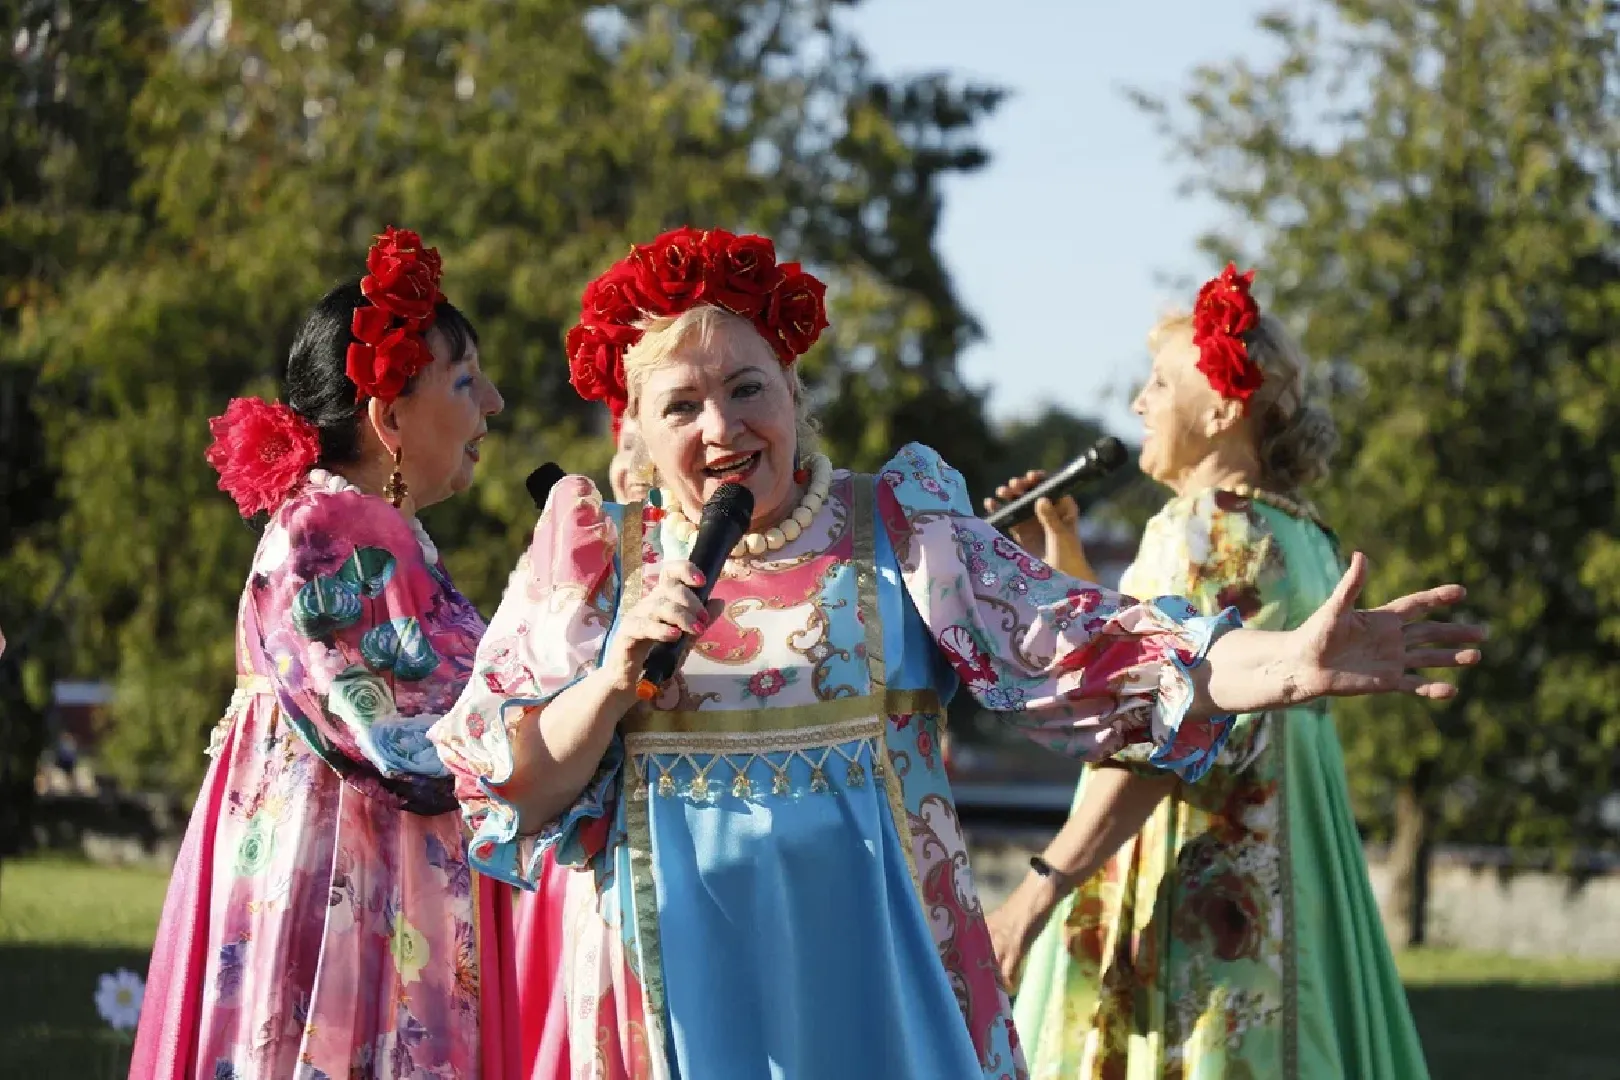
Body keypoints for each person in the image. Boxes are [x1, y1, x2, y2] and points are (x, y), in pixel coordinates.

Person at [427, 230, 1482, 1080]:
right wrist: (614, 677)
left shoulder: (899, 527)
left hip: (880, 998)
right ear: (640, 435)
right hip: (670, 1005)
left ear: (795, 394)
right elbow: (508, 784)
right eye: (682, 406)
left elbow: (1094, 650)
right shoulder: (595, 557)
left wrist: (1282, 663)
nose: (722, 428)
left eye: (748, 388)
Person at [986, 265, 1435, 1078]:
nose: (1139, 403)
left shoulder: (1199, 529)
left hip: (1195, 884)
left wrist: (1038, 893)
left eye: (1161, 381)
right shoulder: (1298, 531)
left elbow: (1164, 728)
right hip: (1294, 887)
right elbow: (1158, 670)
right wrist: (1067, 559)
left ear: (1224, 410)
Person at [132, 228, 518, 1079]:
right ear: (388, 419)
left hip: (330, 861)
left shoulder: (344, 526)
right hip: (349, 879)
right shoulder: (339, 536)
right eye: (464, 380)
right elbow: (432, 740)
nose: (492, 401)